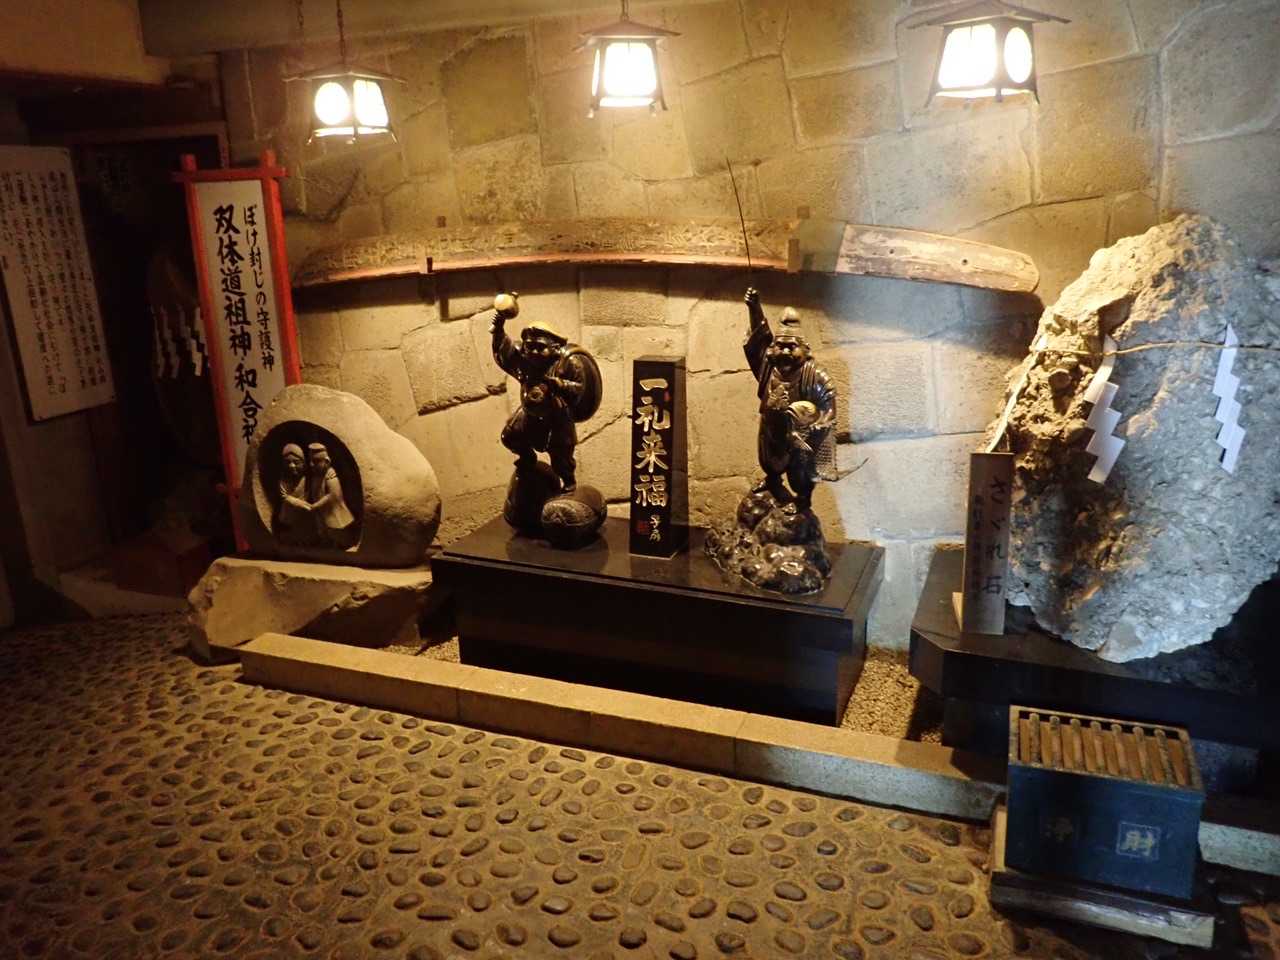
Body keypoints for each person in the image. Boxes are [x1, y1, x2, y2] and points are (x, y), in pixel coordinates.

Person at [743, 287, 837, 512]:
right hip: (771, 428)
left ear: (805, 350)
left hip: (799, 435)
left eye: (791, 347)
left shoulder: (814, 375)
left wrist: (817, 425)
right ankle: (773, 480)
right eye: (780, 346)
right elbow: (758, 341)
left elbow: (829, 406)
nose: (785, 352)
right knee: (768, 457)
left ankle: (803, 498)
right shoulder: (768, 368)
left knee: (799, 469)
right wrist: (754, 308)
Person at [491, 297, 589, 492]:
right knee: (510, 436)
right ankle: (527, 457)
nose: (534, 351)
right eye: (530, 346)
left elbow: (580, 388)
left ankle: (569, 483)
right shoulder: (524, 364)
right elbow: (505, 352)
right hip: (529, 415)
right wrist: (499, 328)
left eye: (540, 347)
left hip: (557, 419)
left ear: (554, 348)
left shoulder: (566, 364)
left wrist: (560, 384)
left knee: (561, 459)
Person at [305, 442, 356, 547]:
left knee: (336, 531)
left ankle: (340, 544)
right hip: (321, 512)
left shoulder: (331, 476)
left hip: (333, 512)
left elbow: (332, 495)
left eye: (316, 461)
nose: (311, 464)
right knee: (323, 530)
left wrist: (316, 505)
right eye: (310, 461)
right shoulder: (316, 476)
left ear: (327, 461)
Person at [274, 443, 314, 545]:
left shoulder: (307, 479)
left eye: (296, 462)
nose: (291, 465)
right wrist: (299, 503)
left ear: (303, 463)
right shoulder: (284, 480)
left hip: (304, 513)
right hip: (289, 512)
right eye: (288, 462)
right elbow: (284, 496)